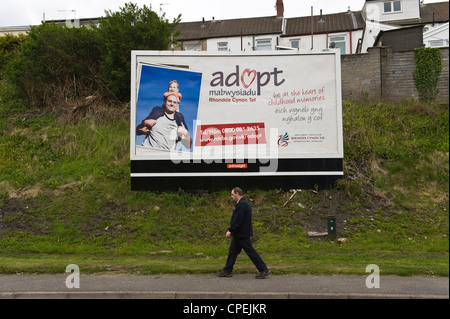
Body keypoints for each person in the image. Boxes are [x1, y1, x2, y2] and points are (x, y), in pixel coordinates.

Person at [217, 187, 271, 279]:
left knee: (251, 252)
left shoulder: (242, 205)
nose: (231, 197)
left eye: (232, 194)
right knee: (232, 252)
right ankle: (227, 270)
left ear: (237, 194)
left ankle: (264, 269)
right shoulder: (243, 204)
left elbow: (238, 220)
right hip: (240, 234)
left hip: (242, 234)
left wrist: (230, 230)